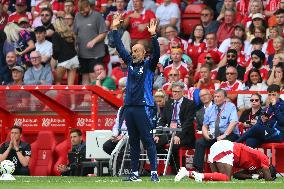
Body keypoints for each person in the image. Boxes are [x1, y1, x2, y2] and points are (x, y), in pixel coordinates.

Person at [112, 14, 160, 182]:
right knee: (133, 141)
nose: (133, 53)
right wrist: (114, 29)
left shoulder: (149, 65)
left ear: (144, 52)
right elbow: (118, 46)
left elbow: (157, 53)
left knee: (147, 140)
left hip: (144, 107)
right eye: (133, 51)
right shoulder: (130, 63)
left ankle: (154, 172)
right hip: (129, 106)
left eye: (137, 51)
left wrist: (153, 36)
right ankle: (135, 174)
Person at [175, 140, 275, 182]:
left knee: (217, 179)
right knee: (226, 178)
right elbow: (268, 178)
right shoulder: (264, 159)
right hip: (228, 148)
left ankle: (187, 173)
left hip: (220, 146)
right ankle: (189, 173)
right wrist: (269, 178)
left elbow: (237, 175)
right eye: (265, 172)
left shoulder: (255, 169)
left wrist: (255, 176)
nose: (262, 172)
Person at [193, 89, 239, 173]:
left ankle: (222, 171)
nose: (216, 99)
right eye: (215, 97)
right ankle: (198, 170)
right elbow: (204, 125)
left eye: (218, 96)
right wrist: (206, 134)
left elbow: (234, 122)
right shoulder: (210, 109)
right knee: (200, 142)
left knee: (220, 143)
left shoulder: (230, 106)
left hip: (229, 134)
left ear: (224, 98)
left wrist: (224, 135)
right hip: (215, 135)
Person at [155, 81, 195, 173]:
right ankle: (171, 162)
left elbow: (188, 123)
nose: (175, 93)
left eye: (177, 91)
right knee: (154, 143)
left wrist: (179, 135)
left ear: (183, 92)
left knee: (174, 145)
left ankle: (176, 171)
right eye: (173, 91)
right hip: (170, 132)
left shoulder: (190, 104)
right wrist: (158, 134)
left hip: (184, 134)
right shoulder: (169, 103)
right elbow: (162, 120)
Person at [73, 0, 107, 84]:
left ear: (88, 7)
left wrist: (93, 41)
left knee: (94, 76)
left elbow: (103, 33)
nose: (82, 13)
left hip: (96, 53)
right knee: (84, 77)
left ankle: (95, 96)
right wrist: (75, 44)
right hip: (82, 53)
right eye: (80, 12)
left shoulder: (97, 16)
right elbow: (74, 33)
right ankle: (85, 97)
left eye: (84, 11)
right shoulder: (77, 16)